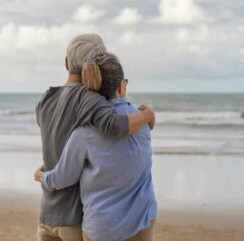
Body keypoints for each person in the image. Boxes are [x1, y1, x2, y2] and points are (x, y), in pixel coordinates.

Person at [36, 34, 155, 241]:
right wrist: (146, 116)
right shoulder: (89, 98)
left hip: (47, 212)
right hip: (72, 217)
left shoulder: (46, 98)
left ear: (66, 63)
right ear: (94, 68)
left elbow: (55, 138)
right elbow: (114, 125)